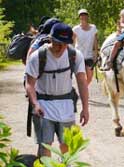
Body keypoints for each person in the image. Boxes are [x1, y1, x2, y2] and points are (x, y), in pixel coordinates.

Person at [25, 22, 89, 157]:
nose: (61, 48)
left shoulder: (75, 55)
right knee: (45, 146)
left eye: (65, 44)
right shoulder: (37, 56)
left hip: (66, 106)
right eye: (58, 43)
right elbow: (30, 83)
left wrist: (85, 108)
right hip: (43, 107)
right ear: (50, 39)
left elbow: (82, 82)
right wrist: (35, 104)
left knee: (67, 145)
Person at [73, 9, 98, 85]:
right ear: (79, 17)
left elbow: (95, 42)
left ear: (87, 16)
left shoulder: (93, 28)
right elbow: (72, 42)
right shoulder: (75, 29)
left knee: (90, 77)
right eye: (81, 15)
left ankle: (84, 89)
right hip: (79, 56)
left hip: (89, 56)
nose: (83, 17)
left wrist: (96, 55)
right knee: (81, 77)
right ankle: (83, 92)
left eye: (85, 15)